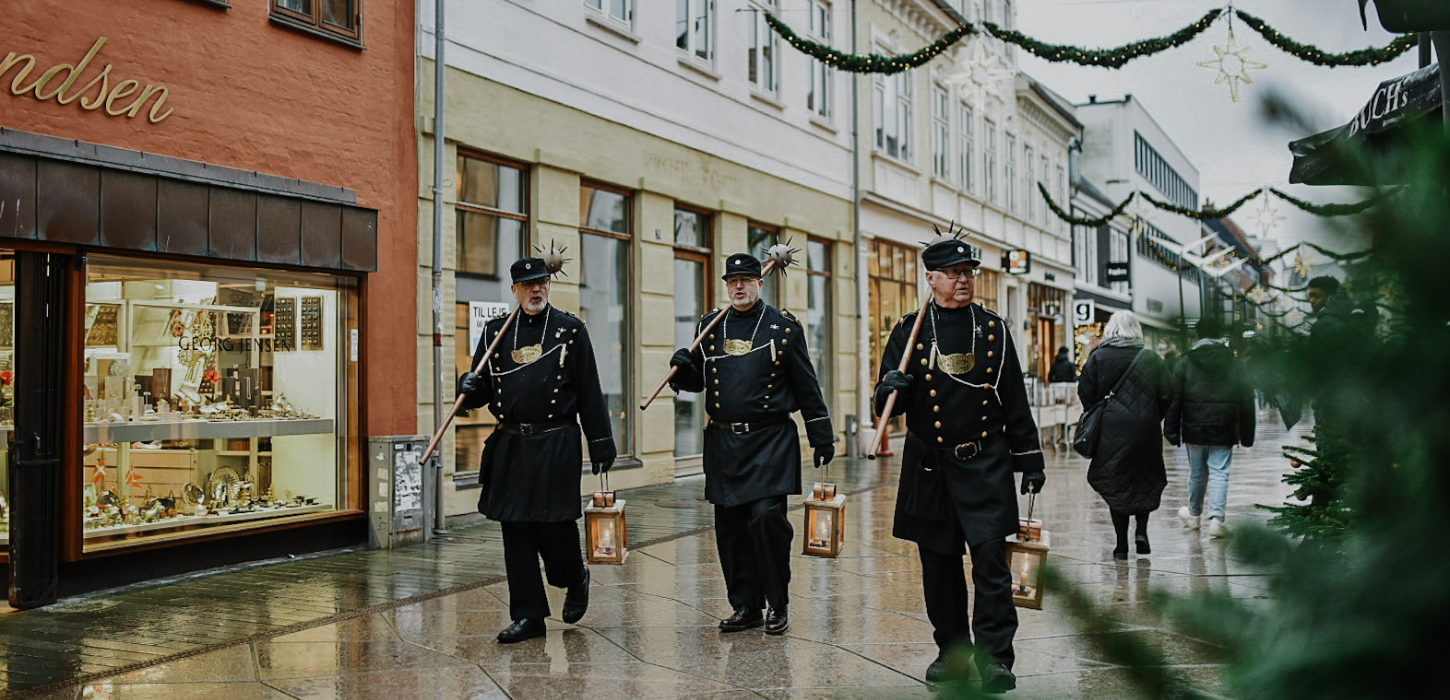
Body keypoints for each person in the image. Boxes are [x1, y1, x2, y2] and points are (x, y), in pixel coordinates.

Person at [873, 237, 1045, 692]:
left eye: (968, 272)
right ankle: (951, 651)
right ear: (931, 278)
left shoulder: (992, 328)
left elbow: (1014, 396)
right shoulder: (909, 330)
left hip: (985, 461)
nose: (964, 280)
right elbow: (885, 406)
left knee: (991, 562)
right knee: (939, 566)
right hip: (930, 466)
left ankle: (996, 658)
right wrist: (890, 387)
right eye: (954, 273)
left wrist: (1029, 459)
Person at [668, 252, 834, 636]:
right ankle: (745, 606)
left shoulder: (783, 328)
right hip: (723, 442)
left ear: (761, 282)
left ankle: (778, 602)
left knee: (765, 519)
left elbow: (806, 385)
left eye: (745, 280)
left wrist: (821, 434)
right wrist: (683, 369)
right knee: (731, 529)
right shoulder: (711, 326)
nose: (738, 286)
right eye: (732, 281)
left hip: (769, 441)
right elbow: (699, 381)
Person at [457, 256, 616, 644]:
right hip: (511, 443)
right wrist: (469, 387)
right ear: (514, 290)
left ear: (549, 284)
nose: (536, 289)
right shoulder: (496, 332)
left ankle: (574, 577)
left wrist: (600, 441)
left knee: (555, 527)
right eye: (528, 284)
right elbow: (482, 390)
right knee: (515, 531)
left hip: (555, 442)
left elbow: (589, 389)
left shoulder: (570, 330)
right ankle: (528, 615)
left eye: (541, 282)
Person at [1077, 311, 1173, 560]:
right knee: (1144, 477)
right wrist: (1154, 416)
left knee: (1115, 480)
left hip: (1111, 428)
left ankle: (1121, 545)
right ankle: (1141, 531)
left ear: (1110, 329)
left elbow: (1085, 391)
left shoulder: (1098, 357)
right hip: (1146, 428)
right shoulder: (1151, 358)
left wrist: (1100, 411)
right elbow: (1167, 393)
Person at [1165, 317, 1256, 538]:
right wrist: (1247, 434)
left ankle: (1194, 516)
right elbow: (1246, 399)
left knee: (1197, 473)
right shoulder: (1234, 362)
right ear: (1219, 335)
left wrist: (1171, 429)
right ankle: (1216, 520)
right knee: (1220, 472)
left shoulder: (1185, 362)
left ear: (1197, 335)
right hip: (1224, 425)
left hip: (1194, 426)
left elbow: (1174, 399)